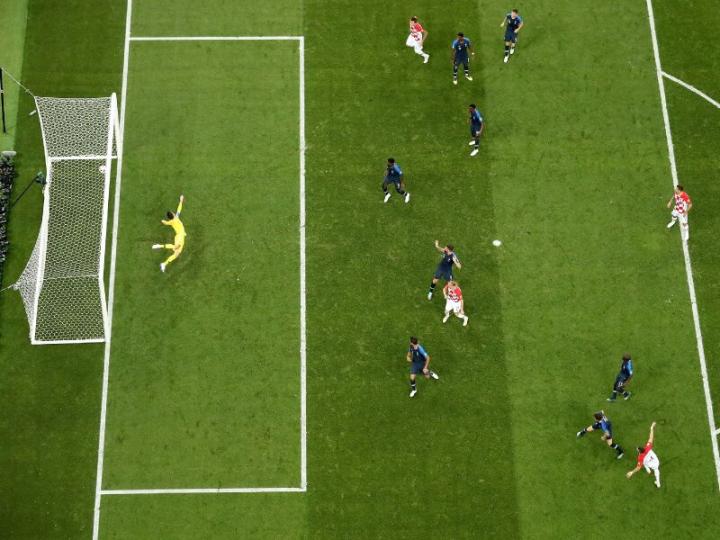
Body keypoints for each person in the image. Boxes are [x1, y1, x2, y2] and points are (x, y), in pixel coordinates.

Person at [152, 195, 186, 273]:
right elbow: (179, 209)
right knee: (176, 248)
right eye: (172, 212)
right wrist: (181, 201)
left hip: (180, 236)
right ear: (173, 214)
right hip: (180, 237)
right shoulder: (176, 217)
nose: (173, 212)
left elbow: (165, 223)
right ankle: (159, 246)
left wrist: (163, 221)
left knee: (176, 254)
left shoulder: (171, 222)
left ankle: (164, 263)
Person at [626, 422, 661, 488]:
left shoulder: (640, 457)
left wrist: (632, 472)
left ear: (639, 451)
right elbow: (651, 438)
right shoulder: (648, 447)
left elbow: (638, 467)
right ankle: (658, 483)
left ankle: (650, 471)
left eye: (637, 449)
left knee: (644, 463)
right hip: (656, 461)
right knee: (655, 469)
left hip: (652, 465)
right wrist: (652, 428)